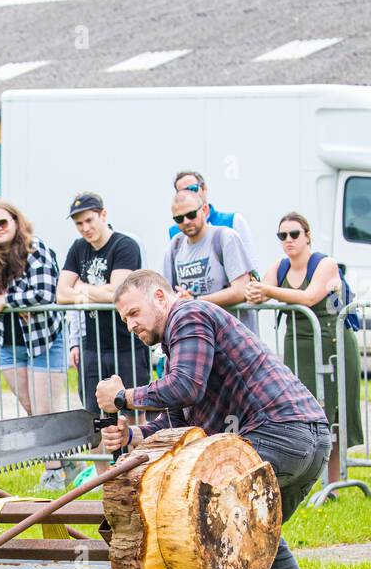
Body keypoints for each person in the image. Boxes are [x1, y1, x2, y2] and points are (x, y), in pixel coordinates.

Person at [96, 269, 333, 569]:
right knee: (260, 533)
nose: (130, 324)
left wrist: (122, 397)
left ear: (159, 296)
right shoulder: (182, 340)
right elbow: (180, 419)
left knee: (179, 520)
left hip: (279, 434)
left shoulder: (188, 316)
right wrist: (131, 436)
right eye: (124, 319)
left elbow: (186, 386)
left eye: (133, 313)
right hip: (309, 440)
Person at [246, 211, 364, 487]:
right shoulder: (280, 267)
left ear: (307, 236)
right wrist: (255, 292)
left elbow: (310, 297)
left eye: (294, 234)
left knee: (333, 412)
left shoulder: (325, 264)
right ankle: (310, 479)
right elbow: (257, 293)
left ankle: (332, 484)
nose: (288, 240)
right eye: (282, 235)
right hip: (297, 344)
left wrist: (267, 291)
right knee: (302, 413)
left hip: (331, 342)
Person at [0, 198, 66, 489]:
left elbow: (45, 292)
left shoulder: (37, 249)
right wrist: (13, 302)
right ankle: (64, 457)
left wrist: (4, 300)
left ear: (16, 222)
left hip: (44, 341)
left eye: (2, 222)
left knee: (44, 409)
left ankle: (54, 472)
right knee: (30, 408)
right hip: (9, 344)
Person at [57, 192, 148, 444]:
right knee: (95, 416)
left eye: (89, 220)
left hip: (127, 343)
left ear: (103, 215)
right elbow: (62, 293)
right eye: (79, 224)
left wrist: (82, 288)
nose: (85, 228)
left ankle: (136, 472)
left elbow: (117, 292)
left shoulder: (125, 245)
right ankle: (103, 478)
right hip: (92, 346)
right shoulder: (78, 248)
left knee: (132, 412)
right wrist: (96, 293)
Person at [164, 188, 256, 331]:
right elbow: (167, 293)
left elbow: (241, 290)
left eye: (191, 214)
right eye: (179, 219)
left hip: (233, 337)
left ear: (205, 210)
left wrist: (194, 302)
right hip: (199, 335)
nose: (186, 221)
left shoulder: (225, 237)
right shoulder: (175, 245)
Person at [167, 170, 257, 264]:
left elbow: (250, 264)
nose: (189, 195)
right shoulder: (175, 233)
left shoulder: (233, 221)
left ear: (204, 188)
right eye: (182, 192)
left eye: (192, 189)